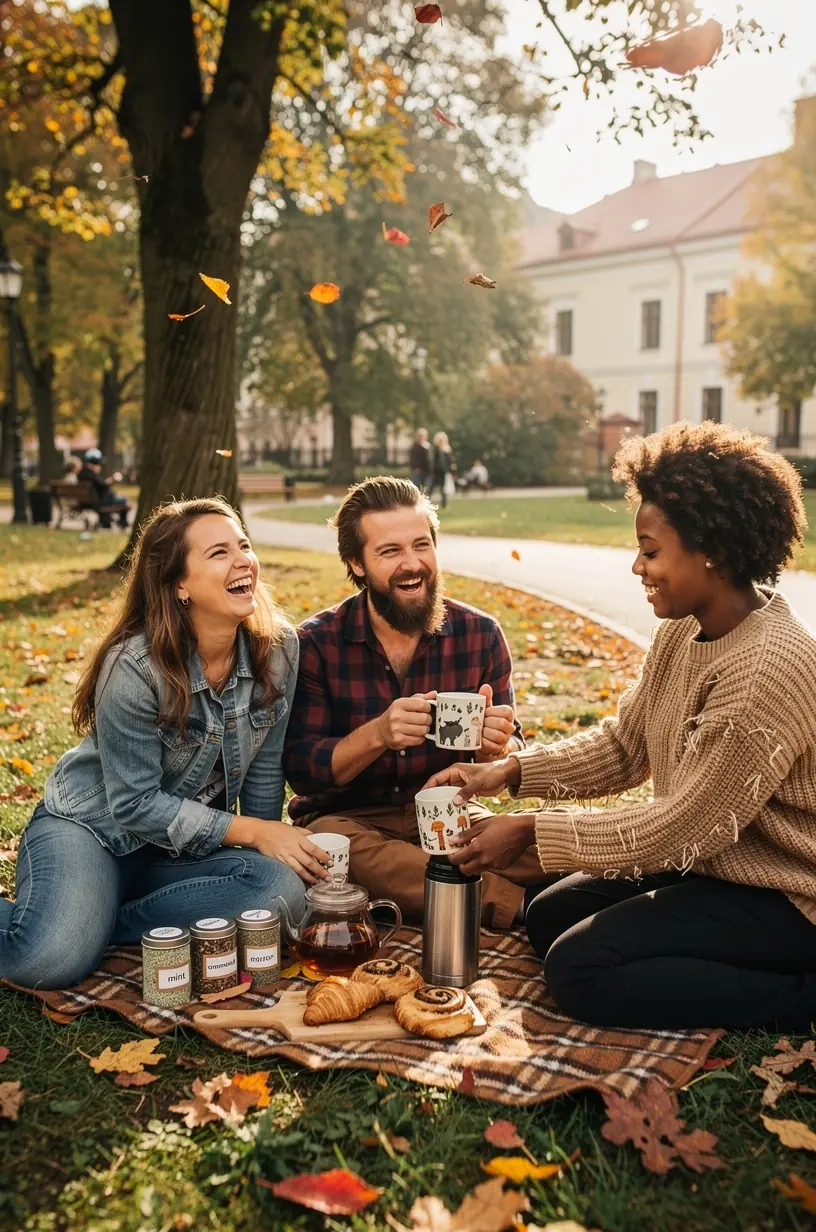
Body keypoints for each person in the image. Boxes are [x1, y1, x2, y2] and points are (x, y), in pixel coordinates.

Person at [425, 421, 816, 1032]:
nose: (637, 566)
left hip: (788, 897)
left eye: (651, 550)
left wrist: (530, 829)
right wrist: (510, 772)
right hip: (713, 867)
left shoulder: (766, 667)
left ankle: (800, 998)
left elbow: (684, 825)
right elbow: (625, 745)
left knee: (580, 971)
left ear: (713, 547)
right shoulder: (684, 629)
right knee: (551, 914)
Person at [0, 496, 328, 990]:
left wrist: (269, 843)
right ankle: (76, 919)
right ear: (179, 585)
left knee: (280, 893)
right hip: (95, 830)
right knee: (47, 960)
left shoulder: (278, 648)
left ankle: (96, 918)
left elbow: (265, 768)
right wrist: (257, 833)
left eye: (244, 545)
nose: (243, 560)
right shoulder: (134, 667)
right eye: (218, 553)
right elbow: (133, 805)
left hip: (181, 851)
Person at [282, 475, 544, 927]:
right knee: (327, 844)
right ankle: (520, 906)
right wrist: (378, 735)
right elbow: (303, 771)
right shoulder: (316, 642)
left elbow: (510, 751)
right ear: (356, 563)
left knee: (541, 839)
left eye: (421, 545)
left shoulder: (480, 635)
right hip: (352, 822)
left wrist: (497, 750)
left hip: (450, 812)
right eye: (390, 551)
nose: (412, 564)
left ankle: (533, 883)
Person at [78, 447, 131, 529]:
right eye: (98, 462)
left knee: (118, 499)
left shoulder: (82, 473)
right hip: (97, 502)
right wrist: (113, 479)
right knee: (124, 501)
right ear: (95, 462)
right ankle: (123, 523)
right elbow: (104, 486)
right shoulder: (91, 474)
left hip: (86, 502)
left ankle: (108, 522)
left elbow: (100, 485)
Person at [426, 431, 454, 509]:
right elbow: (434, 461)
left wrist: (450, 469)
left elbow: (449, 461)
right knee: (431, 488)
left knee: (443, 489)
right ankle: (427, 503)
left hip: (444, 472)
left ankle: (444, 504)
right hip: (436, 472)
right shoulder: (436, 448)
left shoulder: (447, 449)